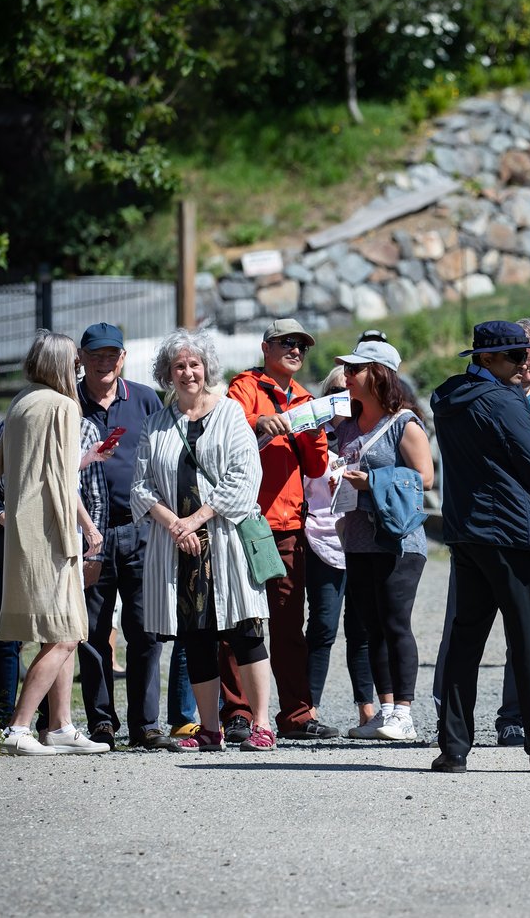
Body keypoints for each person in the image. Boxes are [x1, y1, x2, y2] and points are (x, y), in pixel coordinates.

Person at [0, 331, 109, 756]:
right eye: (75, 364)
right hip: (50, 533)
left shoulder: (21, 403)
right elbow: (63, 480)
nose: (79, 370)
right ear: (61, 365)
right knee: (66, 633)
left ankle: (61, 725)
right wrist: (86, 528)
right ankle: (20, 726)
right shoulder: (64, 406)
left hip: (22, 532)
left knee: (55, 630)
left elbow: (15, 470)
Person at [131, 329, 276, 751]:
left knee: (246, 632)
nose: (188, 372)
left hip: (226, 541)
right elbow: (140, 486)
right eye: (179, 366)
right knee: (197, 637)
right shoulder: (157, 423)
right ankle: (210, 729)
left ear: (207, 369)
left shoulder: (231, 415)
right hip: (179, 548)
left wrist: (195, 520)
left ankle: (262, 724)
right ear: (168, 374)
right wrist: (176, 525)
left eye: (194, 365)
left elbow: (244, 479)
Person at [430, 321, 530, 774]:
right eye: (514, 356)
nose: (523, 363)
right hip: (512, 534)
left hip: (467, 532)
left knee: (465, 641)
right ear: (487, 358)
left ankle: (453, 750)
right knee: (528, 640)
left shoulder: (448, 397)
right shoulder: (503, 400)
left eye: (524, 355)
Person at [223, 319, 337, 742]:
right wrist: (260, 423)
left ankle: (296, 714)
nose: (296, 351)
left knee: (289, 626)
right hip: (245, 521)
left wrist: (311, 434)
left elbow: (318, 468)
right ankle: (238, 713)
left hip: (288, 526)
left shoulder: (307, 400)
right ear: (266, 348)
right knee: (239, 621)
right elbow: (228, 429)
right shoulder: (245, 386)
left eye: (302, 346)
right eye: (287, 343)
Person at [332, 339, 435, 741]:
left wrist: (373, 480)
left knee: (395, 624)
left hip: (398, 541)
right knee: (372, 626)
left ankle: (405, 714)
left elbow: (426, 477)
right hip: (357, 538)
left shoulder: (404, 423)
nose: (346, 377)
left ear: (378, 374)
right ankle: (386, 710)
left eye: (355, 370)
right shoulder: (345, 426)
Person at [77, 322, 173, 750]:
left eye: (111, 354)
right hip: (89, 533)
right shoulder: (68, 403)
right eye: (95, 355)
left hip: (141, 530)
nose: (103, 362)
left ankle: (145, 724)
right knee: (93, 632)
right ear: (81, 358)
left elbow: (167, 457)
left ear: (123, 358)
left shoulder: (147, 399)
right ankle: (101, 722)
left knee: (146, 630)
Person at [0, 409, 109, 724]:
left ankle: (52, 722)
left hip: (64, 546)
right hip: (19, 546)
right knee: (9, 636)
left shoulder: (82, 427)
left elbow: (84, 492)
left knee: (63, 634)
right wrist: (8, 522)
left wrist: (92, 541)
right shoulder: (11, 424)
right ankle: (7, 720)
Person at [302, 367, 377, 736]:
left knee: (361, 628)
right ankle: (307, 708)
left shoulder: (366, 436)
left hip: (360, 537)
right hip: (320, 536)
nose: (342, 397)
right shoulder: (314, 437)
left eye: (348, 391)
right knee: (323, 626)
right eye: (334, 390)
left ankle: (367, 708)